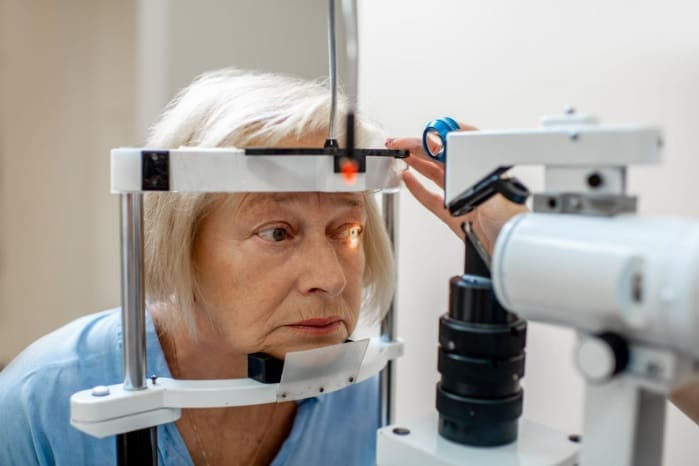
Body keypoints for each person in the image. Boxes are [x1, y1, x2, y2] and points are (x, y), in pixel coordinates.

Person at [0, 68, 400, 466]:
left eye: (347, 231)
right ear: (181, 242)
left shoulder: (369, 403)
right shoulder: (38, 403)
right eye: (277, 233)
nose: (330, 279)